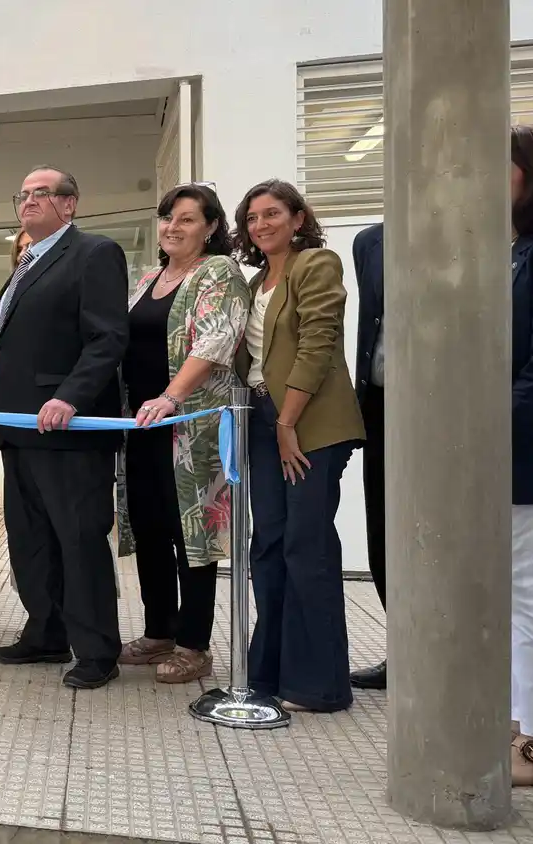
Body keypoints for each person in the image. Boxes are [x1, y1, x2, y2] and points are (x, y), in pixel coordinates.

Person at [0, 166, 129, 690]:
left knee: (78, 539)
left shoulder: (94, 254)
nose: (27, 202)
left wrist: (69, 396)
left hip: (69, 431)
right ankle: (45, 633)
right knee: (31, 539)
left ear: (69, 204)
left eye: (39, 194)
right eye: (21, 194)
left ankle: (96, 650)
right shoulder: (25, 263)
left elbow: (107, 338)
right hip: (18, 429)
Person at [232, 179, 365, 714]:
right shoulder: (258, 279)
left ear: (297, 217)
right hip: (264, 420)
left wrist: (288, 422)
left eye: (271, 214)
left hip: (309, 423)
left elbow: (318, 341)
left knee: (305, 546)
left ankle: (320, 686)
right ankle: (268, 673)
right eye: (252, 218)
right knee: (268, 545)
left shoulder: (318, 264)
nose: (260, 225)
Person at [114, 183, 249, 684]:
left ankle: (194, 644)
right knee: (149, 529)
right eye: (168, 217)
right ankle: (158, 632)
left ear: (211, 227)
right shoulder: (149, 278)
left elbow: (215, 341)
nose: (173, 226)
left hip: (193, 429)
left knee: (190, 535)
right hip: (142, 426)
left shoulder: (218, 273)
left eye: (187, 219)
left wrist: (171, 397)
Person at [349, 221, 388, 691]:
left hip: (448, 405)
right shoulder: (370, 242)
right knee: (383, 530)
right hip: (379, 402)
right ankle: (405, 649)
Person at [508, 124, 533, 786]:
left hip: (520, 451)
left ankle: (531, 739)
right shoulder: (515, 253)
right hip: (500, 454)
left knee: (526, 592)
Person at [0, 230, 32, 391]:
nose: (22, 255)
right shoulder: (9, 289)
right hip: (6, 384)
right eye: (19, 249)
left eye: (29, 246)